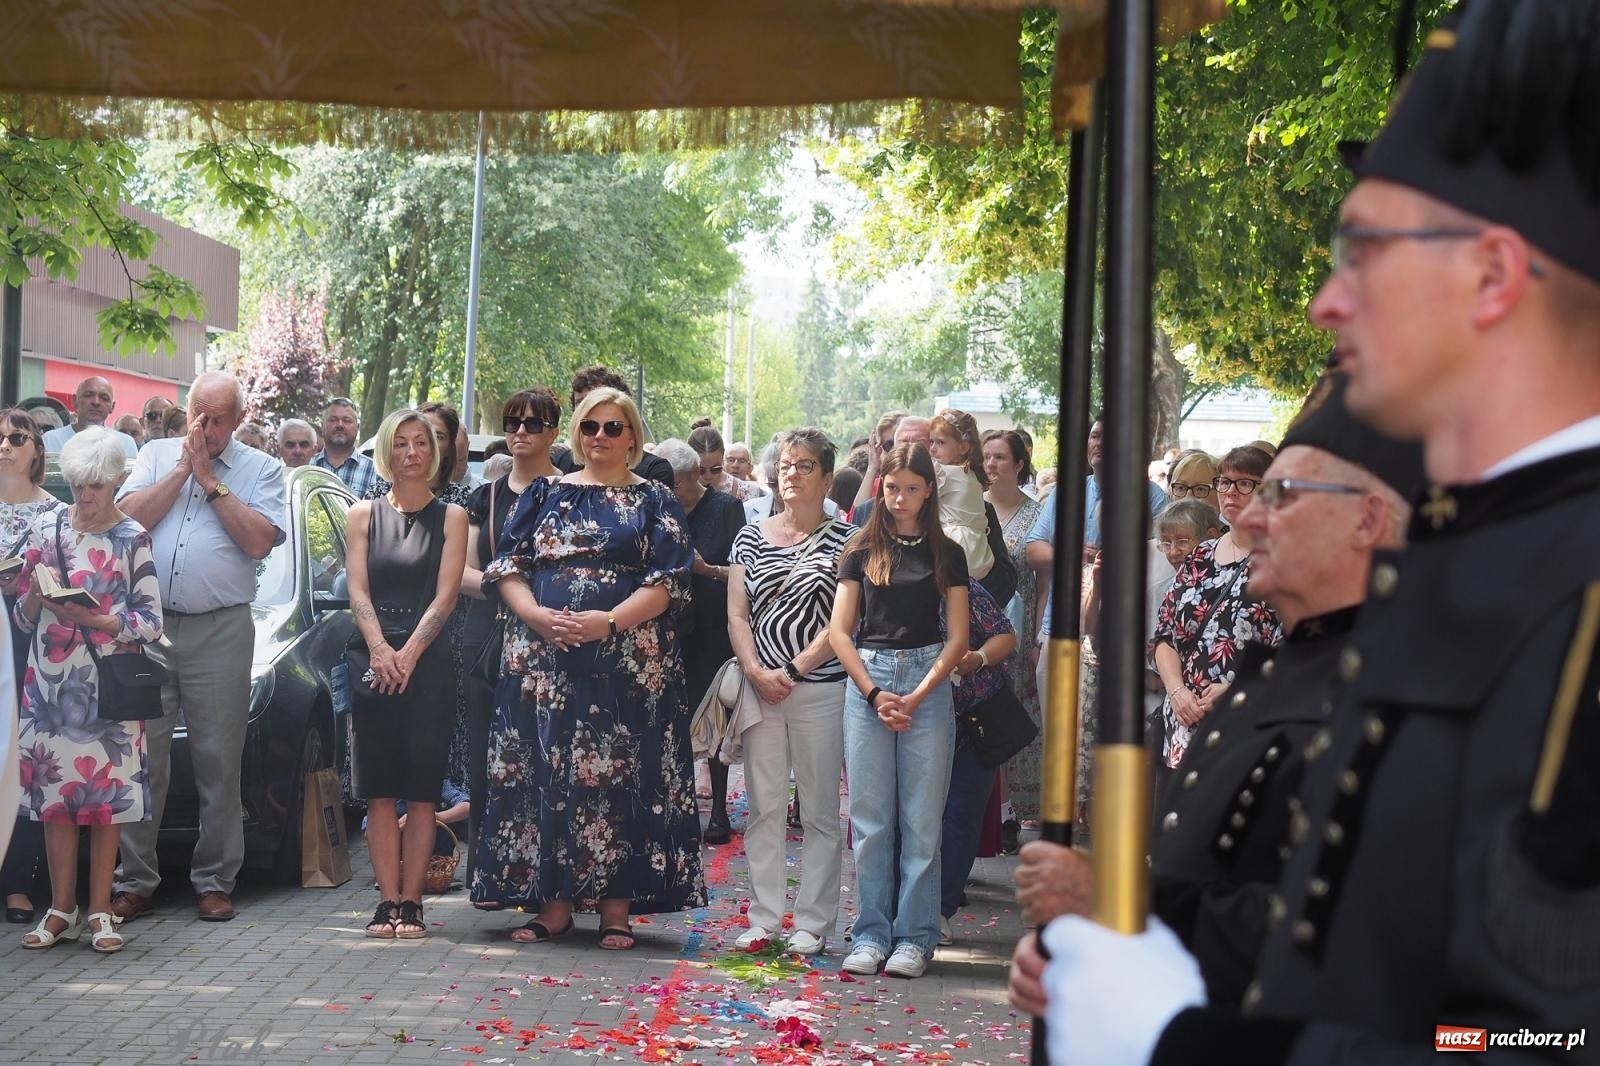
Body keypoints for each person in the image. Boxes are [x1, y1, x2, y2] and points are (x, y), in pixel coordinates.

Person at [1024, 3, 1600, 1057]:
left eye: (1366, 249)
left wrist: (1172, 1036)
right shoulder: (1471, 557)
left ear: (1493, 275)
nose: (1327, 303)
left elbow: (1524, 1039)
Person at [1012, 374, 1424, 1041]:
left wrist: (1114, 903)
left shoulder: (1394, 694)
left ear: (1368, 522)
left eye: (1281, 495)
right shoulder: (1282, 674)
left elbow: (1337, 933)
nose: (1252, 515)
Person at [472, 386, 704, 948]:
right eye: (590, 427)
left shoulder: (654, 498)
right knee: (548, 773)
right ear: (576, 433)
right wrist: (537, 616)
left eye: (613, 428)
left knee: (623, 774)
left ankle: (616, 908)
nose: (600, 437)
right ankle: (552, 906)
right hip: (541, 659)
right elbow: (506, 565)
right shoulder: (546, 492)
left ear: (632, 437)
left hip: (628, 662)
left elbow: (671, 581)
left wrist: (609, 622)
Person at [112, 372, 286, 924]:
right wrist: (184, 468)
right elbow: (129, 520)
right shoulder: (156, 454)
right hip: (151, 627)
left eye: (216, 420)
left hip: (221, 629)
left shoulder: (263, 469)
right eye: (197, 417)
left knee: (217, 761)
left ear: (237, 420)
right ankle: (136, 880)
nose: (204, 429)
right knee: (143, 760)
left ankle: (214, 881)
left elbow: (259, 541)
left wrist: (210, 480)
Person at [15, 429, 162, 953]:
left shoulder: (133, 538)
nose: (85, 495)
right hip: (51, 686)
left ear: (118, 481)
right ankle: (61, 910)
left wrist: (96, 617)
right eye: (78, 484)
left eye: (96, 485)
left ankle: (100, 910)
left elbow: (149, 622)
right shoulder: (46, 526)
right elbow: (20, 615)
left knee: (104, 803)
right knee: (56, 800)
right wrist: (35, 596)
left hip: (108, 687)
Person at [830, 442, 968, 979]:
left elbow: (958, 637)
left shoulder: (946, 552)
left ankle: (914, 937)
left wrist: (916, 695)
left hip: (927, 678)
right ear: (879, 488)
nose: (901, 498)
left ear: (929, 489)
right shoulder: (861, 547)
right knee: (870, 821)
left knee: (920, 820)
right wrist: (873, 693)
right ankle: (869, 932)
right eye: (892, 488)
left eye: (912, 487)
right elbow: (841, 633)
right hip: (870, 676)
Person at [728, 427, 854, 956]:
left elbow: (844, 622)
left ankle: (813, 923)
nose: (792, 473)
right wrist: (756, 670)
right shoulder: (750, 536)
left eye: (805, 466)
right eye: (785, 463)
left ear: (827, 477)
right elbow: (737, 612)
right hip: (760, 688)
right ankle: (763, 918)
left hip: (820, 688)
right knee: (764, 805)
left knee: (821, 809)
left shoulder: (848, 541)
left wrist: (794, 670)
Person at [346, 409, 467, 939]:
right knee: (377, 790)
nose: (412, 452)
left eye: (421, 443)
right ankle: (385, 900)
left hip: (430, 662)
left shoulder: (453, 518)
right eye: (401, 443)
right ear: (386, 452)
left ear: (434, 454)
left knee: (421, 792)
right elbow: (357, 589)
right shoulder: (361, 515)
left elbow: (446, 595)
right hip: (373, 660)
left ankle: (413, 902)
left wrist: (409, 654)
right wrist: (379, 649)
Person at [461, 388, 563, 885]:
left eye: (533, 423)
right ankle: (490, 874)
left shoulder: (573, 493)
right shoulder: (487, 496)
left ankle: (551, 879)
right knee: (490, 763)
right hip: (491, 640)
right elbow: (459, 571)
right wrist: (508, 590)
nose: (521, 430)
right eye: (512, 421)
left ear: (554, 432)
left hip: (558, 643)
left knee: (551, 762)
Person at [1150, 445, 1283, 778]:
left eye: (1245, 483)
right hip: (1181, 729)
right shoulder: (1201, 555)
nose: (1230, 492)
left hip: (1243, 727)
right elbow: (1165, 635)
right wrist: (1177, 692)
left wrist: (1239, 690)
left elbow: (1296, 651)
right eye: (1224, 482)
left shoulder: (1286, 561)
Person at [655, 438, 745, 844]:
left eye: (674, 483)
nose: (669, 491)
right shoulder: (658, 507)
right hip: (668, 629)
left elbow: (743, 572)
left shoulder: (726, 509)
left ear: (695, 476)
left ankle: (720, 811)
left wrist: (707, 570)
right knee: (670, 722)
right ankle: (677, 808)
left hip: (712, 631)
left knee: (714, 720)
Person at [0, 410, 64, 928]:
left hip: (26, 643)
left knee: (17, 760)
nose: (4, 447)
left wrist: (25, 589)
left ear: (36, 450)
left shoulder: (55, 515)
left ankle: (19, 881)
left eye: (16, 438)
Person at [936, 578, 1016, 944]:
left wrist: (977, 658)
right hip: (911, 720)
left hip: (975, 722)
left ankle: (939, 910)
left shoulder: (962, 585)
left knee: (961, 818)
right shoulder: (879, 579)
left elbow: (1004, 635)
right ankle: (901, 909)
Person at [981, 429, 1044, 841]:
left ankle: (1014, 812)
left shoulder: (1038, 516)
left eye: (1000, 457)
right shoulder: (969, 510)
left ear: (1019, 464)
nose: (991, 465)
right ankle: (989, 812)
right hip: (976, 630)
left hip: (1019, 631)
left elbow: (1046, 584)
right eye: (986, 457)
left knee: (1014, 716)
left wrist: (1041, 635)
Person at [551, 366, 675, 489]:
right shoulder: (560, 466)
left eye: (612, 426)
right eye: (580, 404)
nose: (599, 434)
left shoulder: (654, 475)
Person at [927, 409, 994, 580]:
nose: (932, 449)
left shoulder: (943, 473)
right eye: (931, 442)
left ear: (963, 447)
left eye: (940, 443)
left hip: (955, 545)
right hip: (978, 548)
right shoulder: (971, 474)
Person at [42, 376, 138, 459]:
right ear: (75, 401)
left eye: (104, 398)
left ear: (112, 407)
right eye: (88, 395)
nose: (96, 402)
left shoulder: (126, 444)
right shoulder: (50, 440)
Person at [311, 397, 378, 497]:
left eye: (347, 421)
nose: (340, 425)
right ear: (322, 426)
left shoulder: (375, 471)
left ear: (357, 427)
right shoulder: (308, 466)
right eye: (333, 420)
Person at [687, 425, 767, 504]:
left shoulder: (749, 492)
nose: (708, 476)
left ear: (722, 458)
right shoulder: (678, 489)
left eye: (716, 469)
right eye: (701, 470)